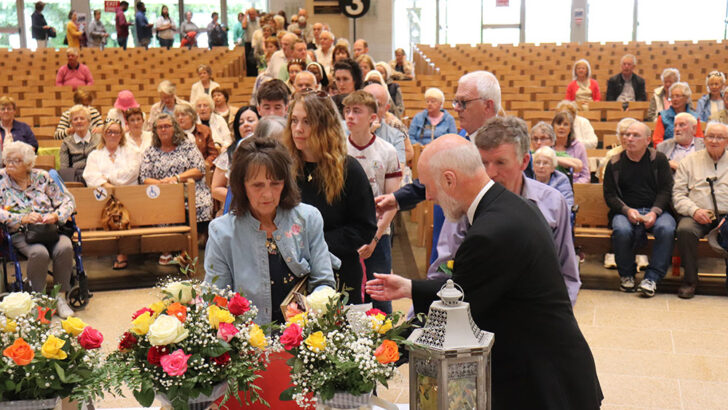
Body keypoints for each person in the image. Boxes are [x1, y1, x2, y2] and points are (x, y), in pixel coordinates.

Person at [366, 134, 603, 409]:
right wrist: (409, 287)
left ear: (449, 180)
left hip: (544, 384)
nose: (429, 197)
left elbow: (456, 308)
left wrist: (382, 352)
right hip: (552, 369)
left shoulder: (490, 233)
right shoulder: (511, 206)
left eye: (429, 187)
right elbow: (475, 286)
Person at [433, 117, 581, 305]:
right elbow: (441, 274)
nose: (490, 173)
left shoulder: (552, 203)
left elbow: (567, 274)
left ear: (524, 161)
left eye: (500, 163)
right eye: (483, 163)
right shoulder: (464, 204)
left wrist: (557, 319)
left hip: (535, 313)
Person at [205, 136, 336, 325]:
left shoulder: (308, 218)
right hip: (247, 340)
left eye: (276, 183)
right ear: (241, 186)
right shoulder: (222, 231)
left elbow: (324, 281)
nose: (267, 194)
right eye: (257, 185)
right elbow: (215, 298)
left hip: (304, 337)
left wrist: (313, 309)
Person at [282, 91, 377, 304]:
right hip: (292, 271)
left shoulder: (348, 169)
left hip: (339, 270)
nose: (298, 129)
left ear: (325, 126)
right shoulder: (285, 167)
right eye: (294, 121)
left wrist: (315, 244)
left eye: (307, 122)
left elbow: (364, 228)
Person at [0, 141, 77, 318]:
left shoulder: (42, 177)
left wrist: (56, 216)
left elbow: (66, 201)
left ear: (28, 163)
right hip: (21, 232)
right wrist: (22, 218)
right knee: (39, 253)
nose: (9, 164)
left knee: (65, 247)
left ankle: (60, 297)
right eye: (7, 160)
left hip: (50, 229)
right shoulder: (1, 180)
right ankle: (39, 300)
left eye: (15, 161)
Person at [343, 91, 402, 313]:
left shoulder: (387, 151)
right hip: (347, 234)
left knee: (380, 294)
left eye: (357, 111)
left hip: (379, 234)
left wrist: (375, 239)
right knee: (347, 294)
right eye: (347, 110)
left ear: (372, 117)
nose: (350, 116)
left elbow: (392, 202)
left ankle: (386, 344)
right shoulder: (337, 150)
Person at [603, 121, 675, 297]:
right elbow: (610, 195)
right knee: (621, 229)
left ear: (647, 140)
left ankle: (652, 278)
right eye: (627, 135)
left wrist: (654, 212)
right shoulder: (614, 163)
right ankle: (626, 275)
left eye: (635, 135)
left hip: (656, 210)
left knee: (666, 228)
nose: (629, 138)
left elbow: (666, 190)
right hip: (625, 211)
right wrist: (627, 211)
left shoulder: (658, 160)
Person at [139, 114, 213, 265]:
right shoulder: (151, 151)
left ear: (175, 129)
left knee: (202, 204)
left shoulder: (187, 146)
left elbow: (199, 170)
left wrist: (176, 179)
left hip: (188, 188)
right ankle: (166, 248)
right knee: (161, 208)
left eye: (167, 126)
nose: (163, 129)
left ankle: (185, 249)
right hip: (162, 192)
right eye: (160, 127)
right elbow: (144, 177)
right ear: (155, 131)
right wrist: (163, 183)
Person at [673, 122, 728, 299]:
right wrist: (694, 210)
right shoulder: (689, 161)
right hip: (697, 213)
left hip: (726, 215)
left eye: (720, 137)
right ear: (703, 139)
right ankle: (690, 281)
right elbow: (678, 194)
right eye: (710, 136)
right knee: (685, 230)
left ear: (727, 141)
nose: (714, 141)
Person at [82, 120, 140, 270]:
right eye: (109, 132)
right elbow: (90, 176)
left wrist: (107, 178)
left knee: (124, 210)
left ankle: (122, 252)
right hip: (104, 197)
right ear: (103, 134)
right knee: (111, 209)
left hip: (129, 195)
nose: (112, 135)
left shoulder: (131, 151)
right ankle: (118, 252)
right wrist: (107, 186)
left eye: (116, 132)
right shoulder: (95, 154)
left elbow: (132, 173)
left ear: (121, 135)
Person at [210, 106, 259, 204]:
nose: (245, 125)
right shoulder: (229, 154)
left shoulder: (271, 149)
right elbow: (216, 189)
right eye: (241, 123)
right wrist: (244, 200)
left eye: (250, 120)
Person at [364, 83, 408, 166]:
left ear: (386, 108)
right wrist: (366, 134)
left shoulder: (396, 135)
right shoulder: (345, 129)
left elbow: (398, 171)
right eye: (368, 104)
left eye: (378, 105)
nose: (373, 109)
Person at [59, 105, 98, 184]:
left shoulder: (99, 139)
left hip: (96, 174)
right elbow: (64, 168)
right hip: (75, 177)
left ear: (88, 121)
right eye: (75, 119)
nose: (79, 121)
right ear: (71, 124)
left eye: (82, 118)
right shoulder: (66, 142)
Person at [174, 102, 219, 169]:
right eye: (177, 116)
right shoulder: (173, 133)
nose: (180, 118)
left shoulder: (205, 130)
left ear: (192, 116)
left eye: (183, 115)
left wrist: (205, 165)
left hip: (203, 169)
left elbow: (213, 154)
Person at [550, 111, 590, 183]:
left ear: (570, 128)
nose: (561, 127)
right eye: (559, 124)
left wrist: (572, 186)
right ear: (553, 127)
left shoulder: (579, 146)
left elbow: (585, 176)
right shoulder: (547, 145)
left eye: (565, 124)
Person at [243, 8, 261, 76]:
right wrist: (245, 15)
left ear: (256, 14)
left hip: (257, 43)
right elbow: (244, 26)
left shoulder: (259, 20)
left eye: (253, 14)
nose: (251, 16)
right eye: (250, 14)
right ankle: (250, 76)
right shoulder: (246, 21)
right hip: (249, 43)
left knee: (257, 60)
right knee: (249, 61)